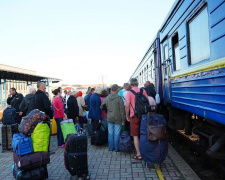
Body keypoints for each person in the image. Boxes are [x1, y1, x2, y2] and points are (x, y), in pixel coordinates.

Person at [125, 78, 148, 160]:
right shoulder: (143, 91)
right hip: (144, 116)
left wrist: (127, 115)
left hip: (134, 116)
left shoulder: (129, 92)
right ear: (138, 84)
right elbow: (147, 101)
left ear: (130, 85)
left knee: (135, 135)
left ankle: (139, 154)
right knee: (144, 134)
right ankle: (145, 152)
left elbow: (127, 105)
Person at [101, 84, 125, 152]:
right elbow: (122, 110)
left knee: (110, 133)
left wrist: (107, 110)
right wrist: (123, 120)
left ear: (111, 90)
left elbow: (102, 106)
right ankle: (116, 148)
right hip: (118, 118)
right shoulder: (119, 98)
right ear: (117, 90)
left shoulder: (107, 97)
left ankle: (111, 148)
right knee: (117, 134)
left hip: (109, 117)